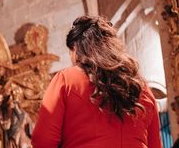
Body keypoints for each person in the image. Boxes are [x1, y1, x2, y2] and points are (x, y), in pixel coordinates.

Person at [31, 15, 162, 148]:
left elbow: (42, 140)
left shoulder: (65, 80)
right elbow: (155, 145)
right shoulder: (141, 87)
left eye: (70, 53)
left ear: (76, 49)